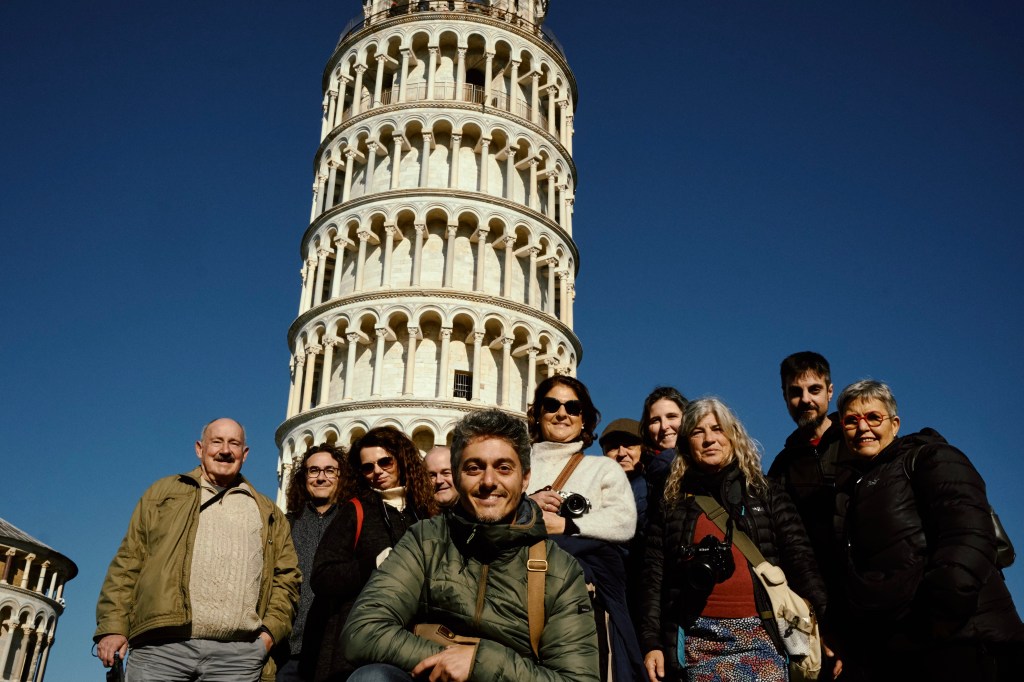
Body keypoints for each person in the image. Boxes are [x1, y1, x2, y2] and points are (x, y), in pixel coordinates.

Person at [342, 409, 600, 682]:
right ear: (457, 475)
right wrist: (449, 659)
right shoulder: (425, 539)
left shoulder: (559, 570)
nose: (489, 482)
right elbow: (363, 631)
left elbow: (578, 679)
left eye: (503, 468)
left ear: (525, 478)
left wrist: (479, 664)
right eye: (474, 468)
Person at [834, 380, 1024, 681]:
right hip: (906, 652)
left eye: (873, 417)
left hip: (965, 642)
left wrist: (937, 620)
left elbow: (969, 536)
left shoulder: (929, 457)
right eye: (851, 420)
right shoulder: (853, 491)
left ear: (894, 424)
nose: (863, 427)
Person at [94, 418, 301, 681]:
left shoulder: (268, 511)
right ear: (199, 449)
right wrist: (113, 627)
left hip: (238, 657)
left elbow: (287, 580)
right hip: (161, 650)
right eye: (217, 441)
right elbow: (128, 562)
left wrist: (266, 638)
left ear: (244, 454)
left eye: (234, 443)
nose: (225, 450)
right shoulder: (163, 494)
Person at [641, 398, 827, 682]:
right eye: (697, 432)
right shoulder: (671, 503)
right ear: (686, 444)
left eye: (717, 429)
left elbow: (801, 559)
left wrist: (822, 626)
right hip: (697, 640)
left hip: (765, 636)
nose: (709, 439)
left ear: (733, 436)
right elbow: (654, 578)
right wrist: (651, 643)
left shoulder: (765, 491)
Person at [527, 375, 642, 681]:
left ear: (584, 421)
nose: (561, 413)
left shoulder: (602, 468)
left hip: (582, 607)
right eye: (551, 405)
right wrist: (528, 508)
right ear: (538, 414)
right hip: (517, 599)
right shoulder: (514, 467)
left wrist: (565, 524)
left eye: (572, 407)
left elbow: (623, 522)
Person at [307, 426, 438, 681]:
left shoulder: (425, 513)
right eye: (368, 467)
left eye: (385, 462)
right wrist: (372, 565)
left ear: (401, 460)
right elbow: (322, 576)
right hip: (361, 649)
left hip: (415, 645)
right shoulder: (355, 511)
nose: (377, 471)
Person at [279, 443, 352, 682]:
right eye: (314, 471)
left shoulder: (355, 522)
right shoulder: (286, 525)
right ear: (304, 477)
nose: (321, 477)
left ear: (341, 477)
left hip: (339, 651)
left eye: (330, 470)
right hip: (289, 652)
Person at [599, 417, 648, 632]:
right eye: (612, 448)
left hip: (641, 592)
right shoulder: (597, 492)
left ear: (643, 449)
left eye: (629, 445)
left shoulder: (650, 487)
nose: (621, 453)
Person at [639, 387, 689, 496]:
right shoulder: (639, 480)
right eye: (655, 420)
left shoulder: (708, 463)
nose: (664, 426)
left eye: (672, 416)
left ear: (687, 418)